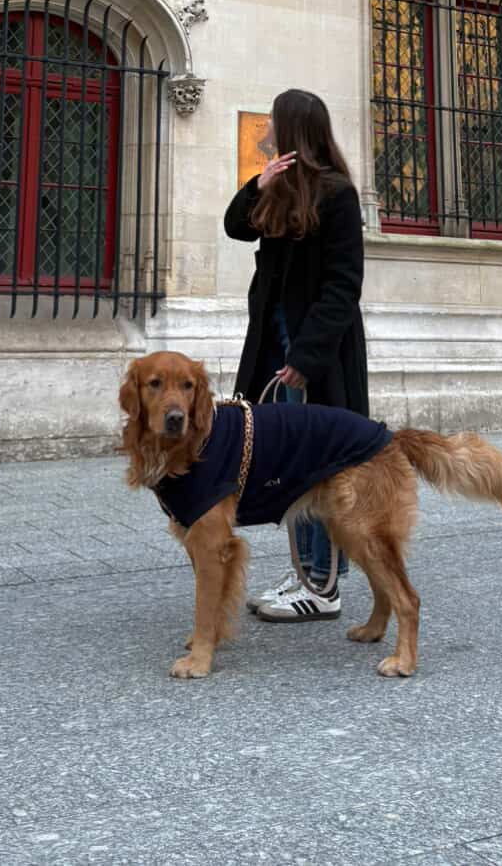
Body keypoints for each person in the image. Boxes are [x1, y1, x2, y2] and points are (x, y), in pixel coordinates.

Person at [224, 88, 368, 621]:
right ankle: (306, 571)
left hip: (315, 359)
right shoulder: (280, 188)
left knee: (319, 466)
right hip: (274, 350)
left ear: (294, 131)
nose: (266, 134)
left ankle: (324, 587)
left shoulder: (338, 195)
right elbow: (235, 227)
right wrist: (256, 185)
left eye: (273, 125)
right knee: (288, 463)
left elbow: (342, 286)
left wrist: (307, 358)